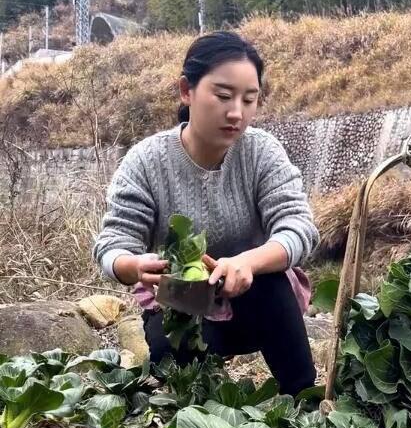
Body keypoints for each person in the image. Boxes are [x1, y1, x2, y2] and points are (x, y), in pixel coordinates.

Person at [93, 31, 319, 396]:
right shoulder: (147, 162)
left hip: (254, 298)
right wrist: (133, 265)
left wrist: (248, 261)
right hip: (185, 299)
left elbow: (299, 228)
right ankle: (199, 401)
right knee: (172, 352)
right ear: (187, 90)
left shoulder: (262, 152)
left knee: (271, 284)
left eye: (250, 99)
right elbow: (112, 244)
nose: (236, 113)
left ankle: (304, 396)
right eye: (224, 95)